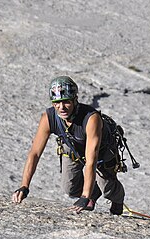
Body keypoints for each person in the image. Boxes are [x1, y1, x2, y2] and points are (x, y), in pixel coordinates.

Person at [12, 76, 125, 214]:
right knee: (70, 188)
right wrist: (24, 186)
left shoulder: (91, 118)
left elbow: (91, 161)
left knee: (108, 190)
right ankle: (93, 192)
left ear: (74, 100)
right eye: (57, 103)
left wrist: (85, 197)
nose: (61, 107)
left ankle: (117, 198)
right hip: (72, 148)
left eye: (66, 102)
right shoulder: (48, 118)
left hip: (101, 152)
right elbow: (34, 153)